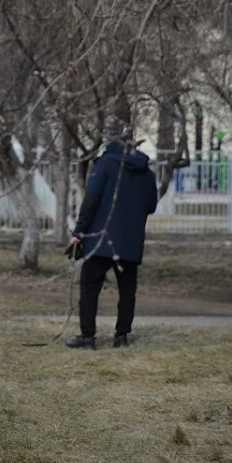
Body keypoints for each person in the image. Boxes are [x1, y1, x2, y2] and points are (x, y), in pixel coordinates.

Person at [66, 128, 158, 349]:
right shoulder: (147, 173)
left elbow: (91, 201)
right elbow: (151, 206)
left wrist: (78, 232)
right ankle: (121, 336)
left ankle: (88, 337)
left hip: (100, 238)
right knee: (127, 290)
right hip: (131, 241)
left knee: (90, 287)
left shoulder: (104, 165)